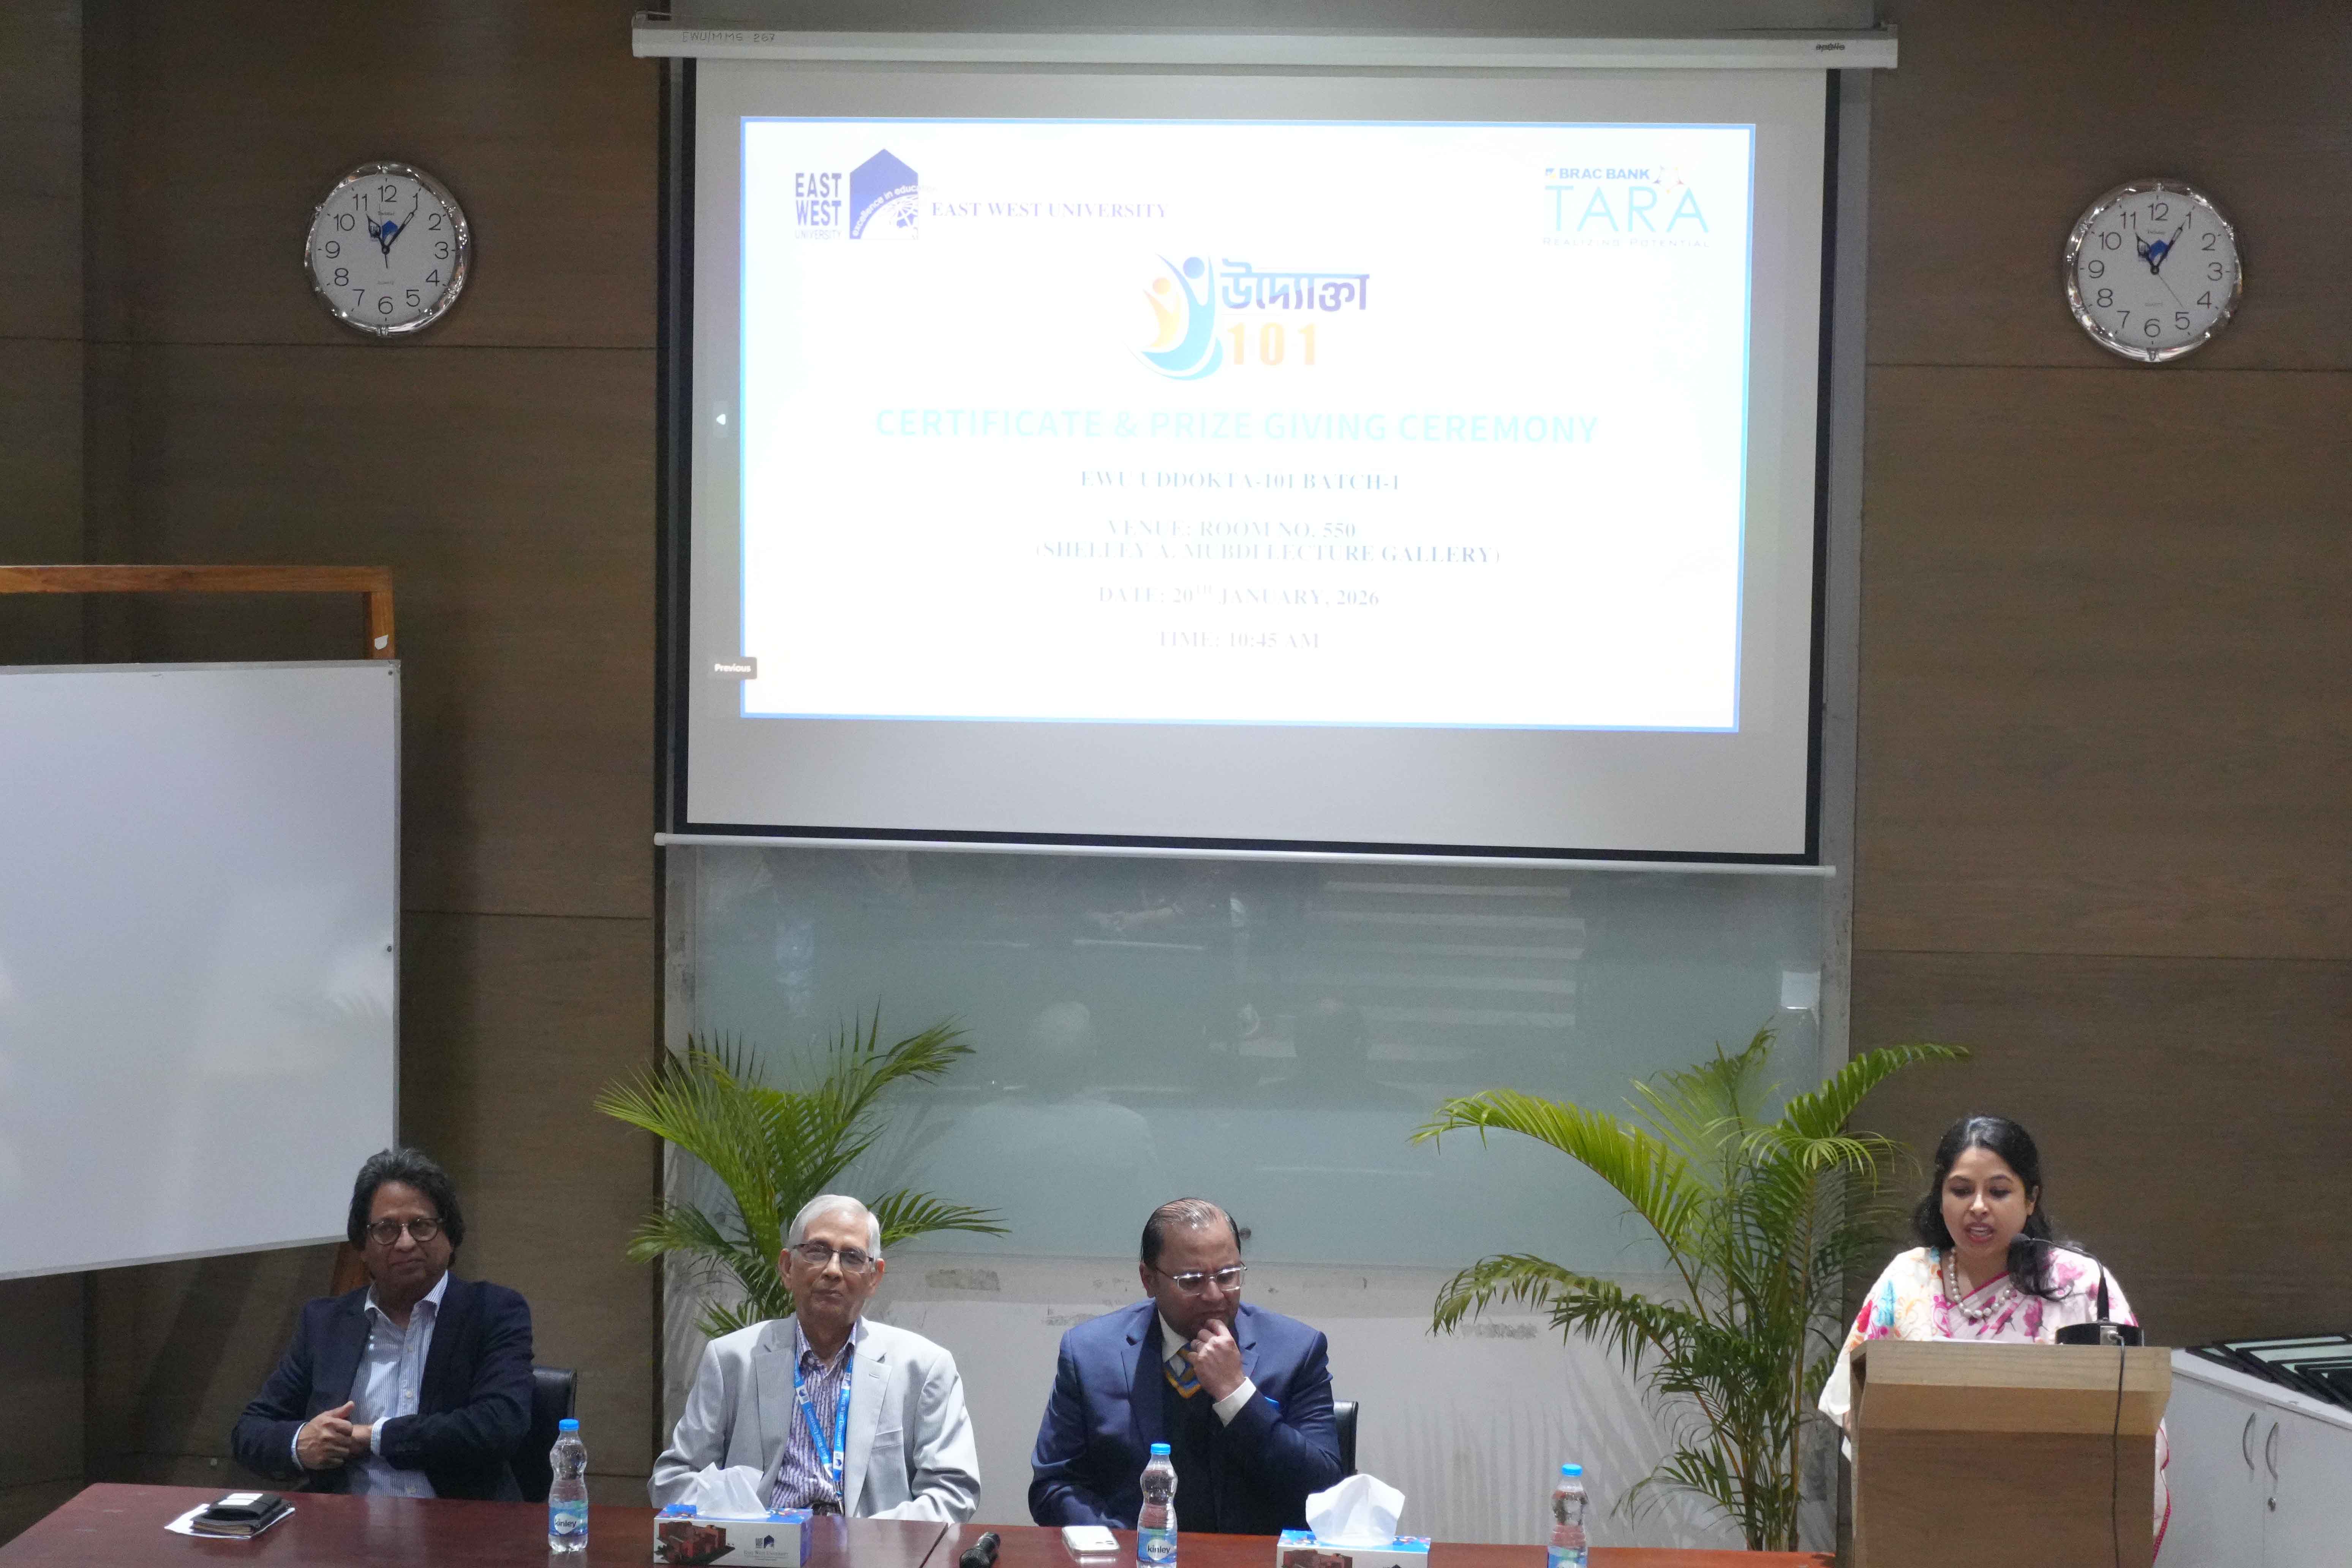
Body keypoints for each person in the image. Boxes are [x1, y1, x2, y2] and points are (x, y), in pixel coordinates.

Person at [1819, 1114, 2169, 1548]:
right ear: (1940, 1197)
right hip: (1927, 1516)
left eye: (1999, 1192)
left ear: (2031, 1199)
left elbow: (2133, 1416)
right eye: (1961, 1190)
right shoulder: (1906, 1278)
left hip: (2052, 1518)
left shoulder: (2081, 1283)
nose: (1979, 1206)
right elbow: (1851, 1404)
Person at [648, 1194, 979, 1521]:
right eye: (817, 1251)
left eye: (852, 1257)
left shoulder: (924, 1368)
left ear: (874, 1277)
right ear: (787, 1267)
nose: (833, 1270)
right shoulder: (732, 1360)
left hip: (869, 1547)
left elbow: (952, 1492)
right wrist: (747, 1524)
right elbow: (673, 1481)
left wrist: (866, 1541)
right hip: (764, 1545)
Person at [230, 1148, 534, 1498]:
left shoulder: (493, 1311)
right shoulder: (326, 1323)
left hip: (461, 1523)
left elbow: (499, 1425)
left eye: (421, 1226)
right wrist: (301, 1444)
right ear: (362, 1247)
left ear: (450, 1237)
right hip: (346, 1523)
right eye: (386, 1229)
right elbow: (250, 1431)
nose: (405, 1243)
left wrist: (372, 1437)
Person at [1029, 1198, 1343, 1533]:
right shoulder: (1089, 1355)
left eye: (1228, 1276)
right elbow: (1054, 1487)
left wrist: (1236, 1394)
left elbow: (1324, 1493)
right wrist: (1126, 1545)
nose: (1215, 1295)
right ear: (1149, 1279)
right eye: (1192, 1280)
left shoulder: (1296, 1351)